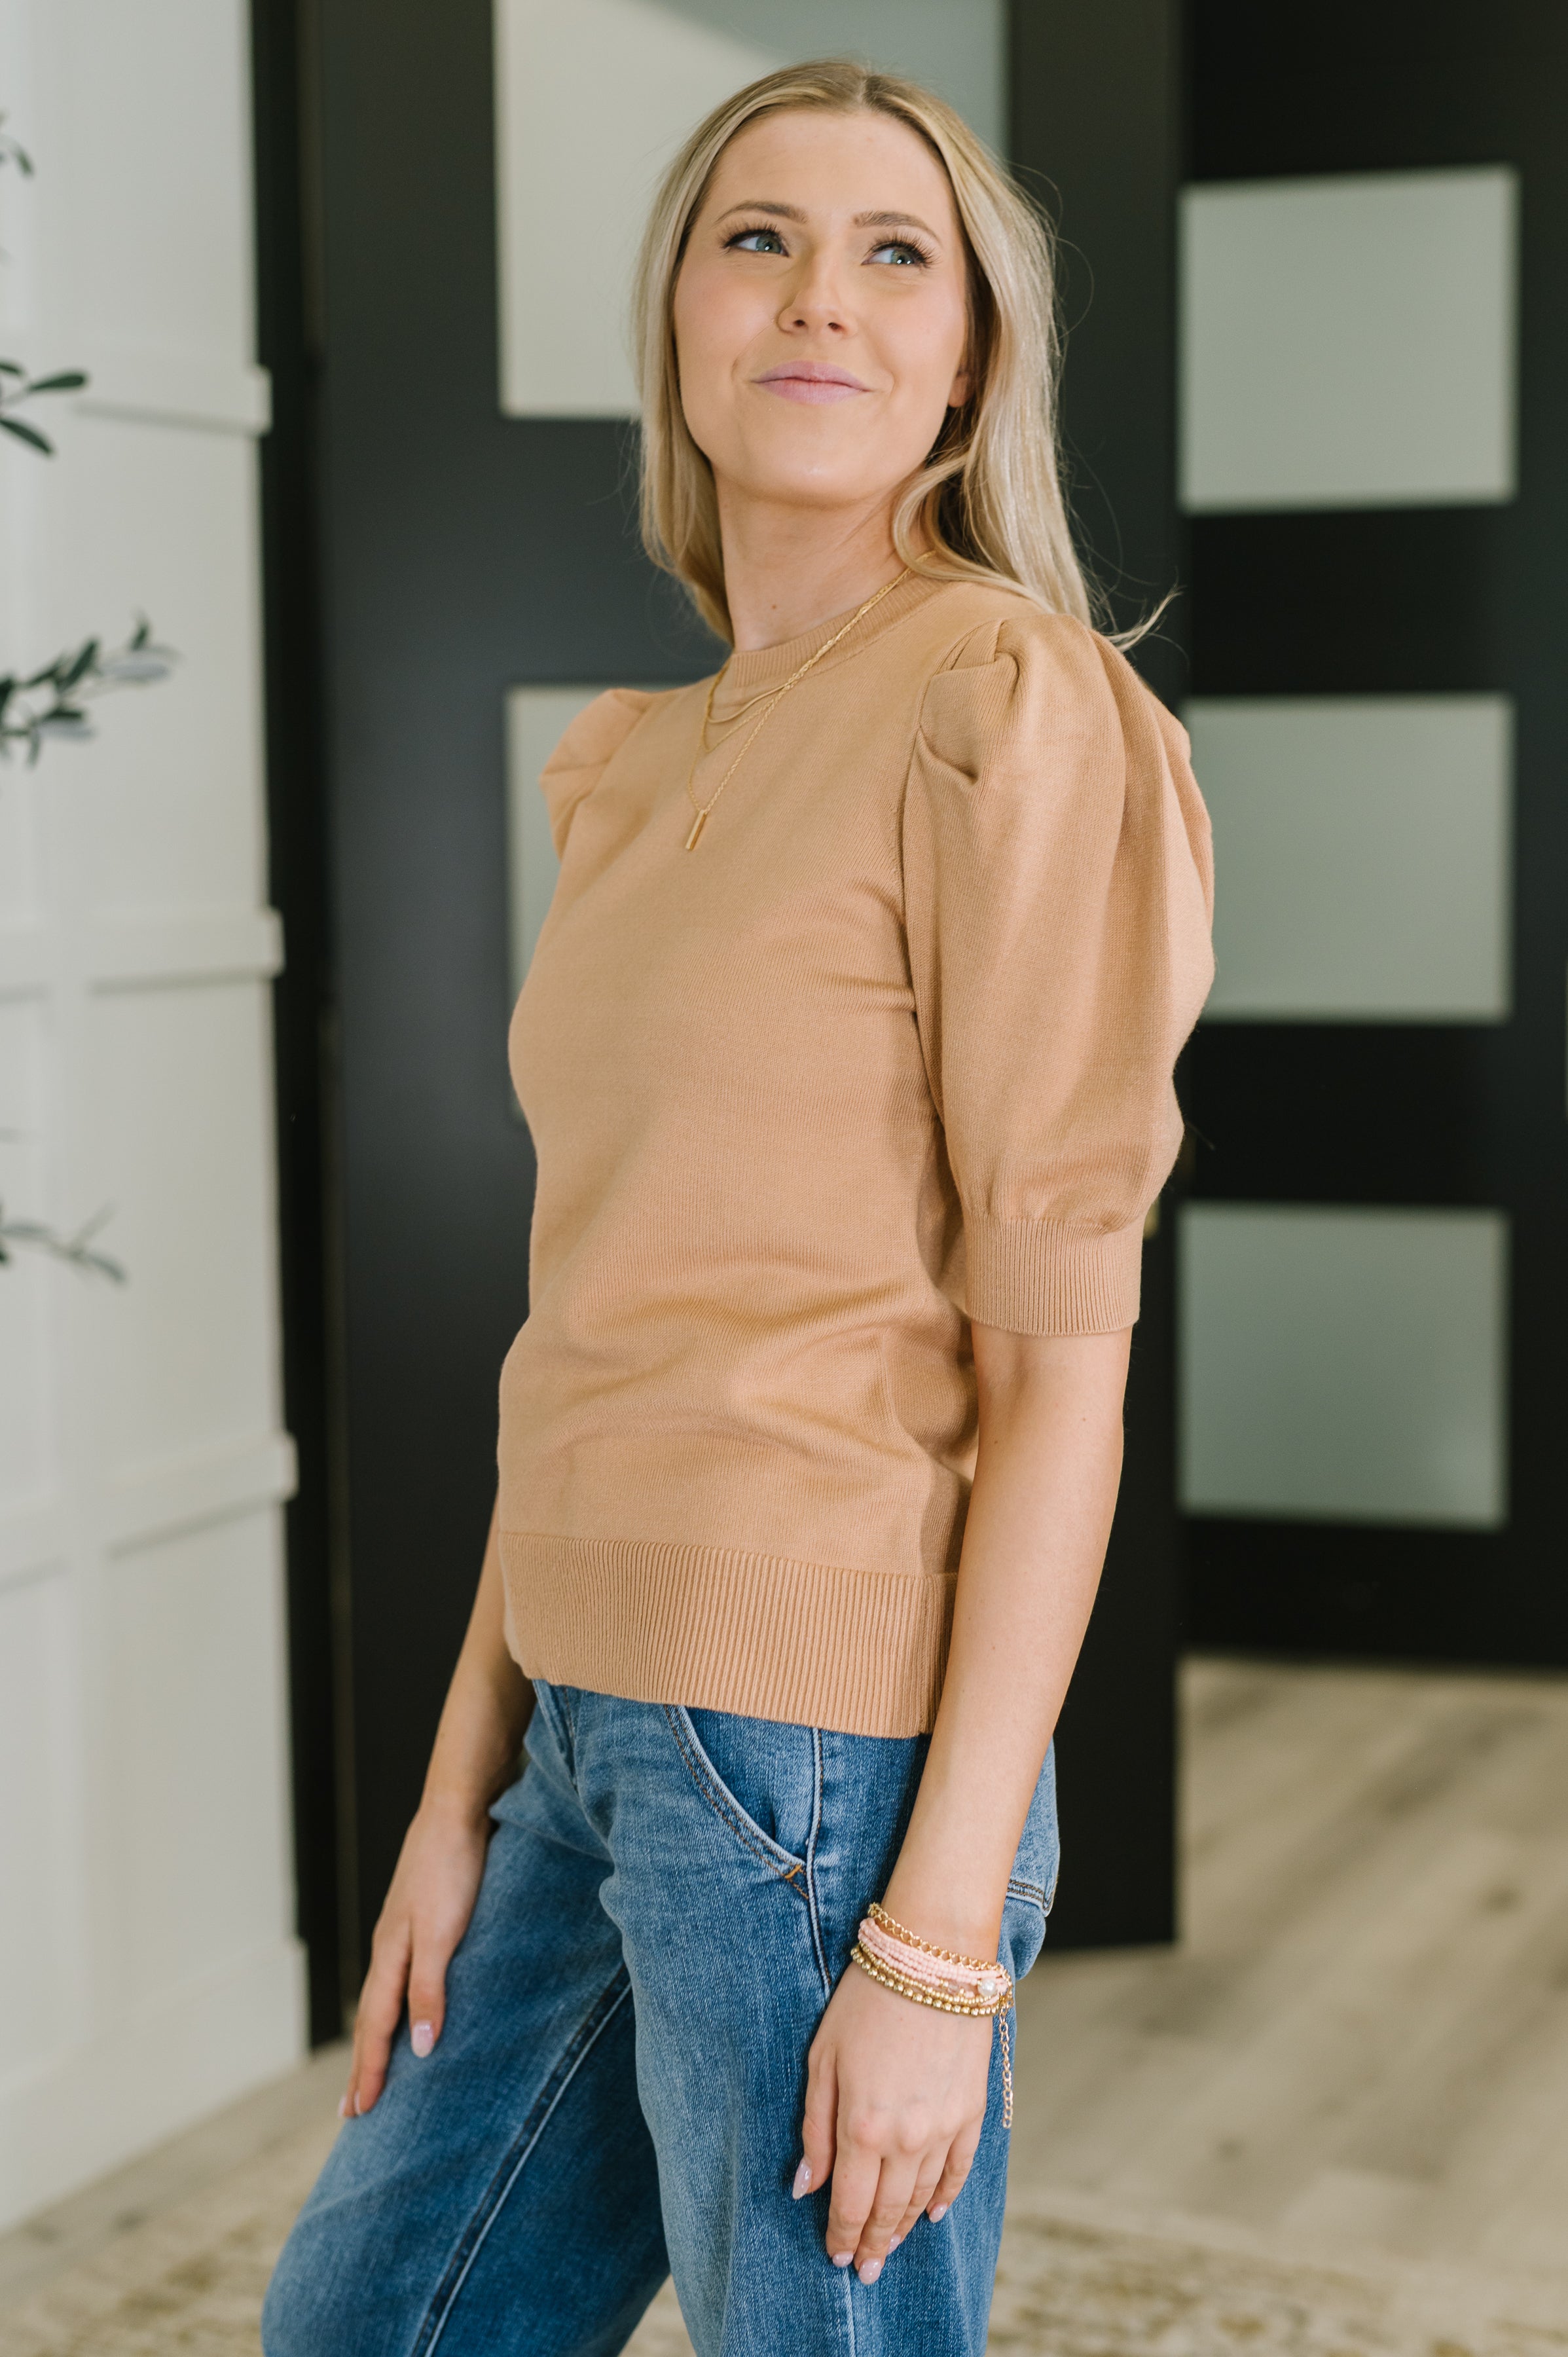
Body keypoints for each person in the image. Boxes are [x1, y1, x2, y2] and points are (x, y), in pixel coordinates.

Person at [263, 56, 1212, 2357]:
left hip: (823, 1763)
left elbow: (1057, 1376)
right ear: (679, 319)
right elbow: (587, 1325)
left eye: (897, 255)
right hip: (583, 1723)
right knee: (362, 2326)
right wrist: (455, 1796)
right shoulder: (630, 761)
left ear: (968, 360)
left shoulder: (1006, 704)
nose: (818, 299)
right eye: (755, 238)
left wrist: (938, 1941)